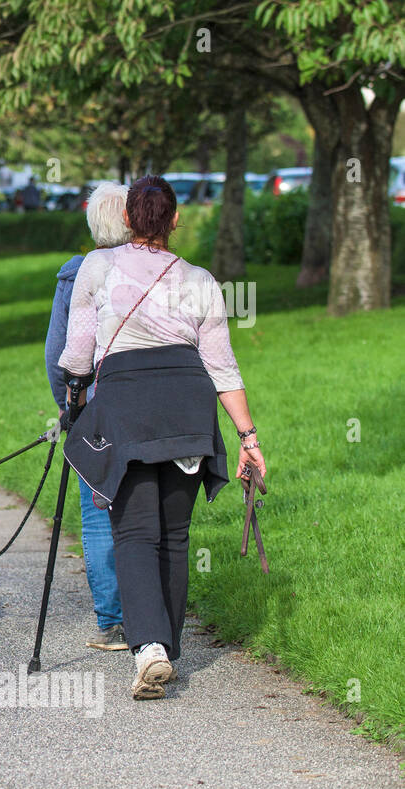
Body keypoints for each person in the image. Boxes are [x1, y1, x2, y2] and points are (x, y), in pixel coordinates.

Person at [59, 175, 266, 701]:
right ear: (175, 220)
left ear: (127, 219)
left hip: (128, 409)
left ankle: (148, 646)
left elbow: (78, 353)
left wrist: (74, 404)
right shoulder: (200, 279)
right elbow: (222, 367)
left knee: (134, 534)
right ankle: (166, 649)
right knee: (175, 535)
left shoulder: (97, 267)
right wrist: (248, 436)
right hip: (187, 409)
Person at [44, 182, 130, 652]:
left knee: (97, 513)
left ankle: (112, 621)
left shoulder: (74, 274)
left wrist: (67, 406)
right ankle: (145, 613)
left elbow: (58, 352)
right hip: (139, 400)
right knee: (137, 504)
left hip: (91, 403)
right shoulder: (149, 268)